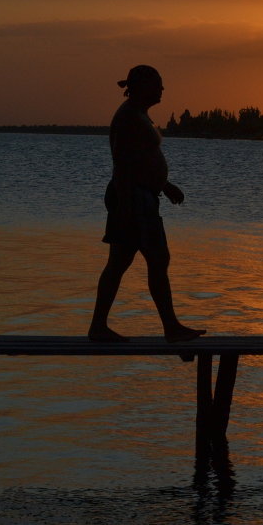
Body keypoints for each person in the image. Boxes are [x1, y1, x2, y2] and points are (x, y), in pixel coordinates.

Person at [88, 65, 206, 343]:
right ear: (141, 87)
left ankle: (99, 326)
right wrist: (127, 206)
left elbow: (141, 158)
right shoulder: (129, 117)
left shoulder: (140, 116)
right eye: (157, 85)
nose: (162, 90)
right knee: (155, 258)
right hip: (133, 198)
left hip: (140, 195)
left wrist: (163, 185)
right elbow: (122, 162)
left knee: (122, 262)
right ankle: (170, 327)